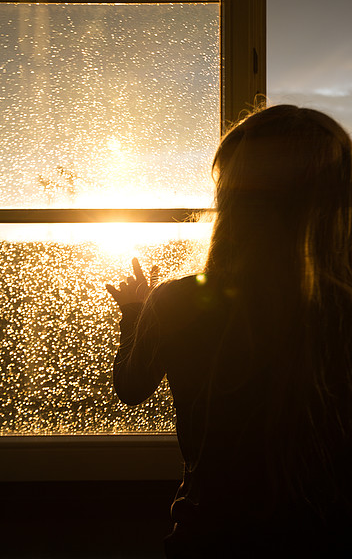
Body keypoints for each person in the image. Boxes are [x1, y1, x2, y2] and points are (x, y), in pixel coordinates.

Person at [105, 105, 352, 557]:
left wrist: (134, 313)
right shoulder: (342, 308)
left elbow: (131, 387)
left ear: (234, 197)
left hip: (210, 534)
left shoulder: (176, 301)